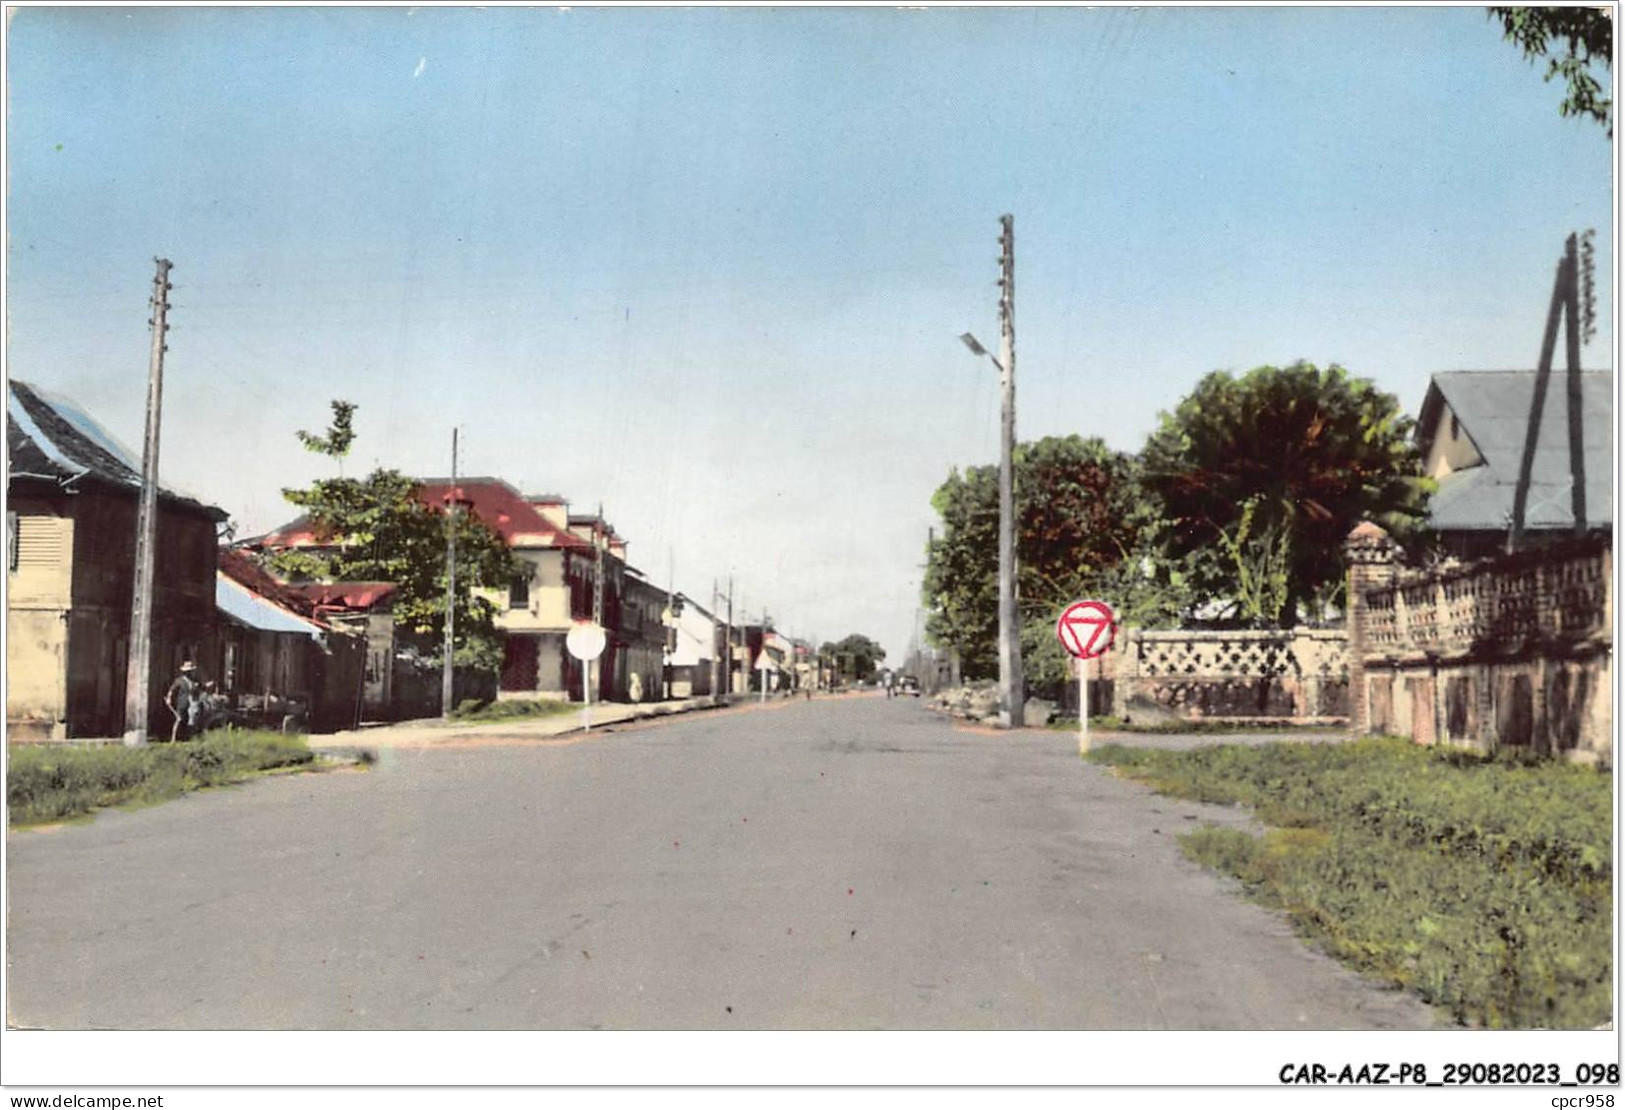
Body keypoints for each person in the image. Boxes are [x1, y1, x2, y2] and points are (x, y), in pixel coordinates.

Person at [165, 661, 200, 743]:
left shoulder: (193, 680)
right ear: (185, 672)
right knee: (178, 719)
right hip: (182, 702)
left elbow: (200, 687)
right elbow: (172, 689)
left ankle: (186, 737)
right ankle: (173, 738)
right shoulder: (179, 681)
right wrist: (169, 698)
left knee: (188, 720)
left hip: (191, 703)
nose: (189, 673)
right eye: (188, 671)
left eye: (190, 671)